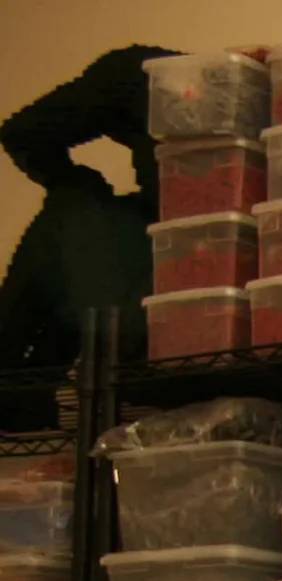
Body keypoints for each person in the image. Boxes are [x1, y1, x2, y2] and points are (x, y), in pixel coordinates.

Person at [0, 46, 164, 423]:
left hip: (156, 310)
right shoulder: (281, 94)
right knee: (80, 210)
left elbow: (25, 134)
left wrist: (84, 184)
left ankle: (21, 377)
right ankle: (25, 379)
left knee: (70, 205)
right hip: (190, 294)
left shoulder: (143, 73)